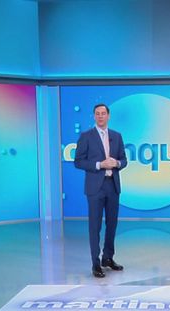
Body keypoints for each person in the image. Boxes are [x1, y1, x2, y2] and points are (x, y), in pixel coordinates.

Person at [74, 103, 128, 278]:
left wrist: (116, 163)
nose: (100, 116)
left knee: (112, 224)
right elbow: (78, 161)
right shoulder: (86, 136)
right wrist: (99, 164)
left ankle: (108, 258)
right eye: (97, 113)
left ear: (108, 116)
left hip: (113, 185)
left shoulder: (117, 136)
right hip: (95, 187)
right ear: (94, 116)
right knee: (95, 226)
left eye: (103, 113)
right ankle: (95, 263)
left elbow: (124, 160)